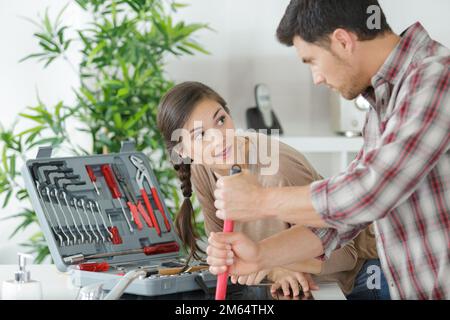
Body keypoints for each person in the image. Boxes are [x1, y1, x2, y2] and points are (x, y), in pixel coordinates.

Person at [207, 0, 449, 300]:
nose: (316, 78)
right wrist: (260, 255)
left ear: (343, 41)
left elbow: (370, 191)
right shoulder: (382, 106)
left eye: (311, 61)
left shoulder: (437, 76)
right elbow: (344, 220)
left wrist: (259, 200)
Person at [157, 81, 390, 299]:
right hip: (301, 286)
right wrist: (270, 266)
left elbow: (346, 256)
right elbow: (229, 253)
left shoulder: (278, 170)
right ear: (182, 152)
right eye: (201, 135)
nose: (220, 139)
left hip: (365, 275)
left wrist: (274, 263)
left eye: (220, 120)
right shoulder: (202, 170)